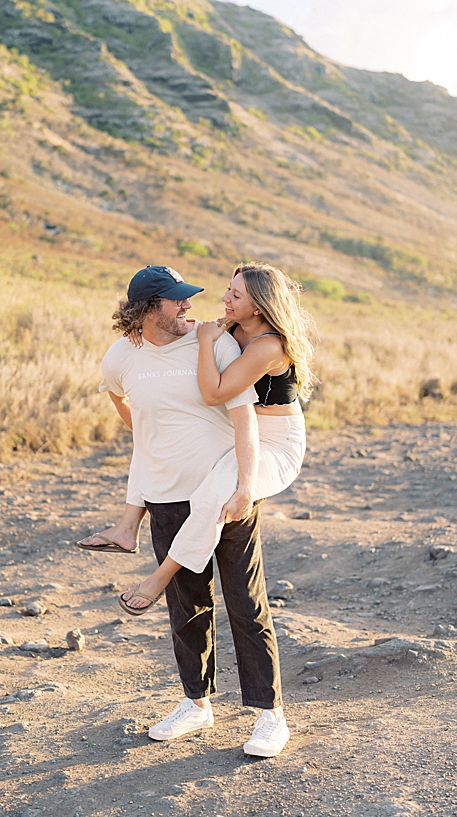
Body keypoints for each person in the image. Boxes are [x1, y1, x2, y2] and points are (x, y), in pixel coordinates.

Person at [86, 265, 289, 758]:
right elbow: (118, 396)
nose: (188, 307)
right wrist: (149, 438)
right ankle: (196, 705)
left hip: (223, 493)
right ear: (149, 308)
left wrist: (244, 486)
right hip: (167, 496)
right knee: (186, 607)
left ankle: (270, 716)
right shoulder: (122, 357)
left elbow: (245, 421)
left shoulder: (216, 344)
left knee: (245, 601)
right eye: (176, 300)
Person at [119, 262, 314, 620]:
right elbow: (177, 328)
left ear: (258, 306)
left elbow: (214, 393)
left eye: (235, 295)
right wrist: (138, 331)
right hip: (240, 430)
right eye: (228, 288)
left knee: (217, 489)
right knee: (157, 440)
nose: (224, 297)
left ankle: (160, 577)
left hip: (277, 443)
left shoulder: (269, 345)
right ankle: (126, 527)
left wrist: (208, 341)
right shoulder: (231, 326)